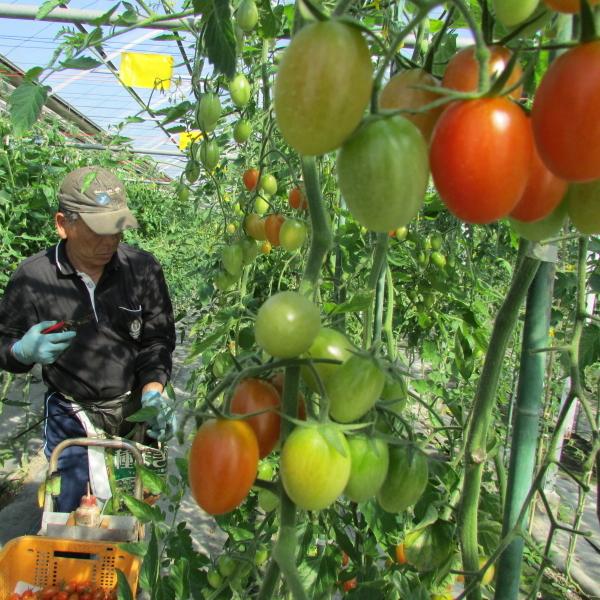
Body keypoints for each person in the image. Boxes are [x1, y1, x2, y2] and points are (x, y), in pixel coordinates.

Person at [0, 166, 176, 512]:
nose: (110, 241)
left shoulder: (142, 270)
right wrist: (21, 351)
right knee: (71, 509)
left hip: (135, 408)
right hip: (73, 413)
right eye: (99, 231)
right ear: (63, 224)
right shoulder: (33, 278)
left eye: (118, 229)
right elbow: (3, 344)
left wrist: (154, 390)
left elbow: (157, 339)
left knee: (134, 509)